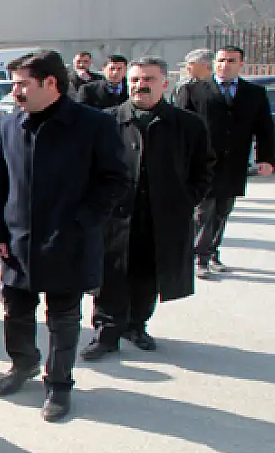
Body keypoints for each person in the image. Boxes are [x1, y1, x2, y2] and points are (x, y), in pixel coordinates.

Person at [0, 50, 129, 422]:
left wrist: (82, 222)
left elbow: (115, 180)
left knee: (63, 319)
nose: (15, 91)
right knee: (15, 311)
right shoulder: (10, 124)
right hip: (18, 241)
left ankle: (59, 384)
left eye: (22, 84)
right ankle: (23, 364)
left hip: (70, 240)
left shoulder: (93, 124)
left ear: (51, 83)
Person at [82, 57, 215, 361]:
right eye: (135, 80)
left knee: (147, 274)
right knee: (110, 274)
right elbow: (86, 167)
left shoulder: (187, 125)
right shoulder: (105, 121)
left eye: (149, 79)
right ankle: (105, 332)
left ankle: (136, 325)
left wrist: (185, 200)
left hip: (161, 215)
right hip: (115, 216)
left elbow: (204, 168)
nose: (140, 85)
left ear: (165, 83)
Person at [176, 45, 275, 278]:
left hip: (235, 162)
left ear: (241, 64)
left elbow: (264, 129)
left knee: (223, 209)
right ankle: (199, 256)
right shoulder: (194, 90)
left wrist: (265, 159)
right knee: (203, 210)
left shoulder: (254, 93)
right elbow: (179, 126)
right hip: (202, 162)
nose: (225, 65)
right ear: (214, 63)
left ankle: (213, 252)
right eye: (221, 60)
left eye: (231, 61)